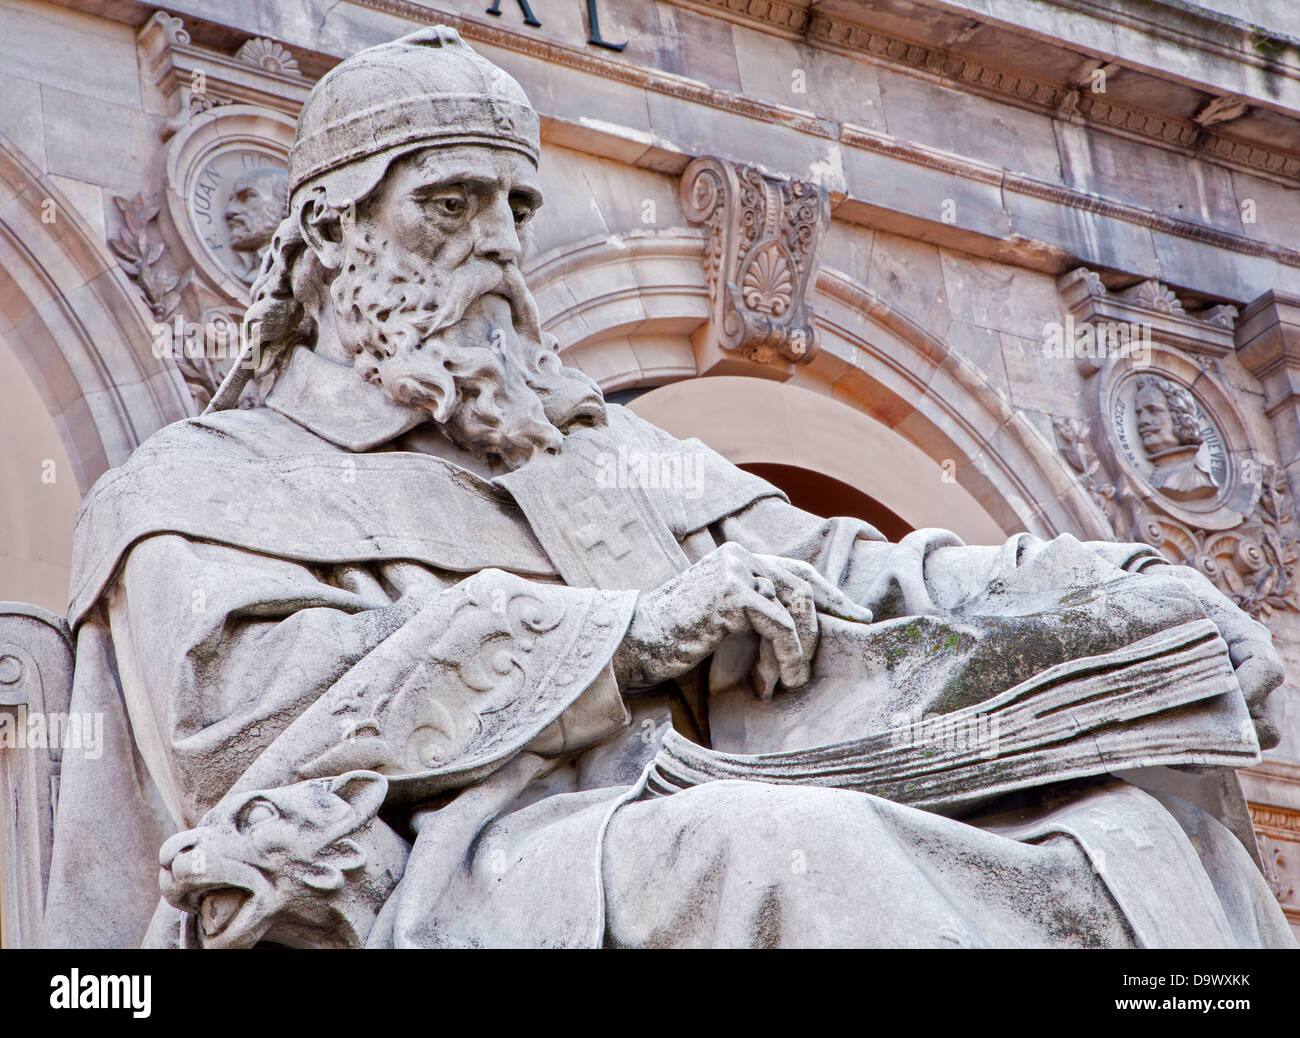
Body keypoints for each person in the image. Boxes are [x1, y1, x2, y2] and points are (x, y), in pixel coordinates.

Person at [43, 26, 1293, 948]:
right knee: (788, 855)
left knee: (1136, 812)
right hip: (475, 866)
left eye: (515, 209)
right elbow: (238, 728)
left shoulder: (594, 450)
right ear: (327, 235)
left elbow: (854, 570)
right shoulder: (205, 483)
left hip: (702, 804)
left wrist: (1107, 588)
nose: (492, 242)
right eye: (449, 203)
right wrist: (626, 639)